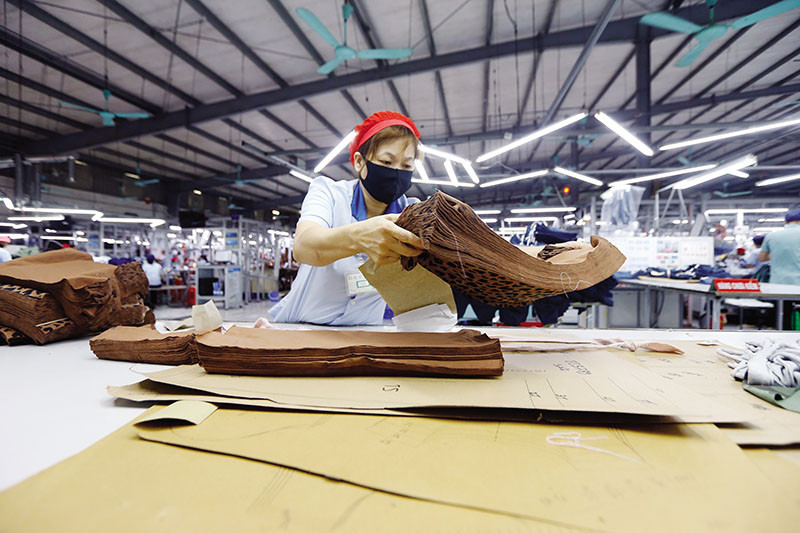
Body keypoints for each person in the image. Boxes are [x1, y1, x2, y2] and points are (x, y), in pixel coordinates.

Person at [268, 111, 425, 326]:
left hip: (364, 332)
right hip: (302, 327)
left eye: (406, 166)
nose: (397, 172)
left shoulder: (412, 213)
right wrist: (361, 236)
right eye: (387, 162)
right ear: (359, 162)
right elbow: (304, 246)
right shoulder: (329, 193)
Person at [759, 208, 800, 329]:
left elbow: (762, 258)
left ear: (786, 222)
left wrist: (778, 254)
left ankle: (785, 339)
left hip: (779, 285)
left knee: (783, 317)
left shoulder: (772, 235)